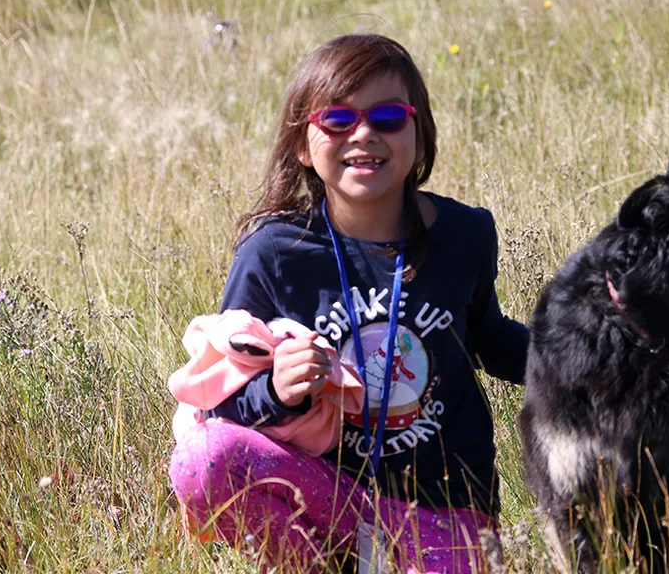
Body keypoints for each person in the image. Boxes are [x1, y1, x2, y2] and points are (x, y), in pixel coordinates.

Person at [169, 33, 529, 573]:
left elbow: (488, 338)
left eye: (388, 116)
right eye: (337, 120)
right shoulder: (275, 253)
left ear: (419, 134)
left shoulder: (465, 234)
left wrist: (597, 357)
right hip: (329, 501)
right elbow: (218, 402)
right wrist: (278, 391)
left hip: (448, 510)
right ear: (302, 144)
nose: (363, 133)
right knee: (203, 460)